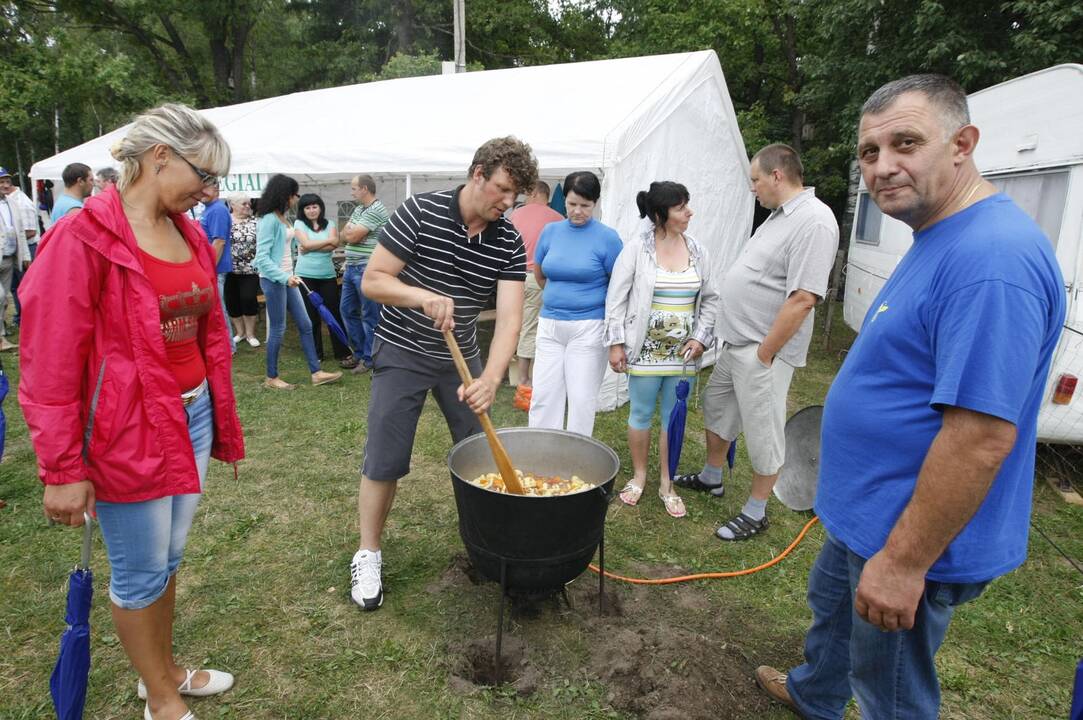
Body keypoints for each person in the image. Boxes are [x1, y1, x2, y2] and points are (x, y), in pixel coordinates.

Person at [754, 75, 1066, 720]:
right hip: (868, 510)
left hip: (907, 535)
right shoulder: (940, 233)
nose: (883, 167)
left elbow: (981, 436)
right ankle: (815, 693)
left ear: (962, 144)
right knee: (834, 613)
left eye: (906, 143)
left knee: (889, 686)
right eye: (870, 153)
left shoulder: (991, 260)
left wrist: (901, 564)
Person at [19, 103, 246, 720]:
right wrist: (63, 468)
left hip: (189, 416)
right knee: (141, 571)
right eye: (203, 174)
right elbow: (49, 359)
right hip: (126, 430)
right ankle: (162, 700)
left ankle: (162, 672)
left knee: (168, 559)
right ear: (159, 156)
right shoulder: (82, 236)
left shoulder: (188, 229)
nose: (208, 190)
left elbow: (202, 331)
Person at [351, 136, 537, 611]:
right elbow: (374, 280)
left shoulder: (508, 238)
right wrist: (423, 296)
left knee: (479, 454)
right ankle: (368, 552)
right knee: (385, 457)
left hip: (466, 359)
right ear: (478, 173)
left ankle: (491, 546)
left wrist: (491, 378)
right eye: (501, 189)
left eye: (515, 195)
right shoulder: (420, 211)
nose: (507, 202)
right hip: (403, 350)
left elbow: (511, 318)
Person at [675, 143, 838, 541]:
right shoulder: (778, 217)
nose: (753, 188)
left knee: (764, 430)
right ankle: (713, 477)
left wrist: (766, 352)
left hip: (764, 351)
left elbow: (803, 297)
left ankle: (756, 510)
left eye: (755, 180)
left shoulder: (815, 221)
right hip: (737, 343)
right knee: (718, 409)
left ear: (777, 176)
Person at [605, 182, 719, 518]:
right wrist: (615, 344)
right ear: (660, 214)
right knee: (640, 413)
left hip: (682, 356)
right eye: (681, 207)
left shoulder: (698, 250)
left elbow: (711, 299)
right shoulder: (636, 249)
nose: (689, 212)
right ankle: (639, 477)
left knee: (673, 417)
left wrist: (700, 338)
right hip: (644, 352)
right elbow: (616, 299)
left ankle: (667, 482)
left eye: (688, 205)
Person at [527, 171, 622, 436]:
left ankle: (576, 459)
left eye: (585, 205)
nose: (577, 211)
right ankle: (541, 453)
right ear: (564, 200)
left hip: (588, 327)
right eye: (571, 204)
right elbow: (540, 272)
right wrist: (560, 300)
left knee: (581, 398)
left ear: (595, 204)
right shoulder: (550, 231)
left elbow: (619, 285)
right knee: (544, 394)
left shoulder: (608, 238)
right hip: (550, 324)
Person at [253, 174, 341, 389]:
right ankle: (271, 377)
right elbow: (261, 258)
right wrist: (285, 277)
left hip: (289, 277)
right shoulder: (269, 219)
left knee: (305, 324)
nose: (296, 199)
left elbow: (283, 249)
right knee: (278, 329)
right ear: (285, 195)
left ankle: (316, 373)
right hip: (275, 280)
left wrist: (291, 271)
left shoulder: (283, 217)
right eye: (294, 194)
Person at [509, 180, 562, 410]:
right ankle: (528, 381)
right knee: (541, 329)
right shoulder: (558, 219)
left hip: (513, 278)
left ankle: (523, 380)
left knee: (519, 326)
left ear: (532, 193)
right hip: (541, 279)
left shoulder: (514, 216)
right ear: (546, 196)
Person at [339, 174, 390, 372]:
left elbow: (353, 235)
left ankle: (370, 359)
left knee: (370, 314)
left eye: (354, 188)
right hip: (352, 267)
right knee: (347, 310)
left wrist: (351, 234)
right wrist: (350, 234)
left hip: (365, 268)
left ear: (364, 189)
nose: (352, 192)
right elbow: (344, 234)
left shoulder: (377, 209)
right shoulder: (360, 209)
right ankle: (360, 353)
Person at [294, 192, 350, 363]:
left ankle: (342, 352)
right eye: (307, 207)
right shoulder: (299, 223)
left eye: (314, 206)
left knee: (333, 313)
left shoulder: (330, 223)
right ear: (303, 210)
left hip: (327, 275)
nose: (311, 210)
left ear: (320, 207)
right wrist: (327, 241)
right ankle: (316, 354)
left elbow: (335, 244)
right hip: (305, 275)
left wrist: (311, 246)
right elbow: (309, 244)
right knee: (311, 316)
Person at [1, 168, 37, 332]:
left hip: (11, 255)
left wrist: (25, 254)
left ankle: (4, 330)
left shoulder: (14, 203)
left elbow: (23, 232)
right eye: (2, 182)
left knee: (8, 293)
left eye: (7, 181)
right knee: (2, 295)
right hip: (5, 254)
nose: (6, 185)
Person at [199, 184, 234, 354]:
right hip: (214, 268)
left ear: (216, 189)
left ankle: (228, 347)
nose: (202, 192)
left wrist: (208, 268)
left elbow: (219, 241)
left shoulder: (217, 210)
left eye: (206, 188)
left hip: (216, 269)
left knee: (219, 309)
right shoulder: (210, 209)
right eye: (200, 188)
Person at [224, 194, 261, 347]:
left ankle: (251, 334)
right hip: (228, 269)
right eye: (244, 204)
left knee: (248, 299)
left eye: (249, 203)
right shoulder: (225, 220)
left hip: (250, 269)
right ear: (232, 205)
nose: (248, 206)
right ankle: (240, 332)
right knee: (232, 301)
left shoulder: (256, 221)